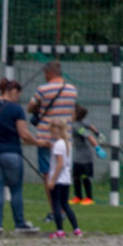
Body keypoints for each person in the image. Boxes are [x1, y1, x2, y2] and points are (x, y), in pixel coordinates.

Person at [0, 79, 46, 235]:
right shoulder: (16, 109)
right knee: (15, 189)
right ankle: (19, 223)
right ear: (13, 92)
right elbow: (23, 133)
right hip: (11, 152)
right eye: (18, 95)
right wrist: (37, 142)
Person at [31, 61, 79, 218]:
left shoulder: (43, 89)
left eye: (45, 73)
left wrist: (40, 108)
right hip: (66, 140)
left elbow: (31, 107)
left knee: (49, 175)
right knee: (63, 173)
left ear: (49, 72)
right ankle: (64, 207)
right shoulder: (72, 90)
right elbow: (72, 112)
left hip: (47, 138)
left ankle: (55, 211)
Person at [44, 117, 80, 238]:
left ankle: (60, 231)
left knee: (56, 205)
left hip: (58, 179)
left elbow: (60, 163)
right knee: (65, 204)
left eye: (51, 130)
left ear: (56, 130)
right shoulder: (67, 144)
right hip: (66, 179)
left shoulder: (58, 145)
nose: (50, 133)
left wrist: (52, 180)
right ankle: (76, 229)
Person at [70, 104, 100, 205]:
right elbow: (90, 126)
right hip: (78, 155)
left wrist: (97, 148)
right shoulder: (79, 123)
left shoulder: (77, 126)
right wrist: (98, 133)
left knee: (84, 176)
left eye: (72, 112)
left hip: (85, 156)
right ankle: (78, 196)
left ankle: (89, 198)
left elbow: (88, 136)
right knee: (75, 176)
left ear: (76, 114)